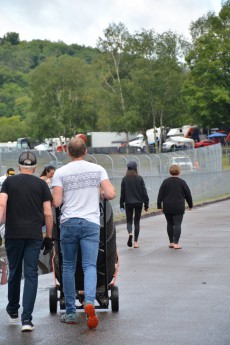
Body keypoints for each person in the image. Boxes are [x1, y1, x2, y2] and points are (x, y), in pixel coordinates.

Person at [52, 137, 116, 329]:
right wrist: (100, 192)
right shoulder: (98, 170)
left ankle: (70, 312)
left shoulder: (60, 173)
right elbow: (111, 193)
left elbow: (56, 202)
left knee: (69, 267)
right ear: (85, 151)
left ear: (68, 152)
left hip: (69, 223)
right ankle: (89, 301)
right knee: (89, 265)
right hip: (91, 223)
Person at [0, 151, 53, 332]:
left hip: (13, 234)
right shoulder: (41, 184)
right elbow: (47, 212)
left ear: (20, 166)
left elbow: (2, 205)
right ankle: (27, 320)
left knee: (15, 271)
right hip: (33, 235)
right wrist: (49, 237)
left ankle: (13, 310)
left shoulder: (8, 182)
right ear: (35, 168)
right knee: (31, 274)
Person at [157, 164, 193, 249]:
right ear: (179, 172)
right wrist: (190, 205)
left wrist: (159, 205)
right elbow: (188, 194)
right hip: (178, 206)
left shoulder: (165, 182)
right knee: (177, 224)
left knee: (169, 224)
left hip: (167, 206)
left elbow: (160, 194)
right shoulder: (182, 182)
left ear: (170, 171)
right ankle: (176, 243)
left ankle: (171, 242)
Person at [120, 161, 149, 249]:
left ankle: (130, 233)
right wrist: (146, 204)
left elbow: (123, 193)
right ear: (136, 168)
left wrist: (121, 204)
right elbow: (144, 192)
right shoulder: (140, 178)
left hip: (128, 203)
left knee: (129, 221)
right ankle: (136, 242)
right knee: (137, 222)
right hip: (138, 203)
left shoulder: (124, 179)